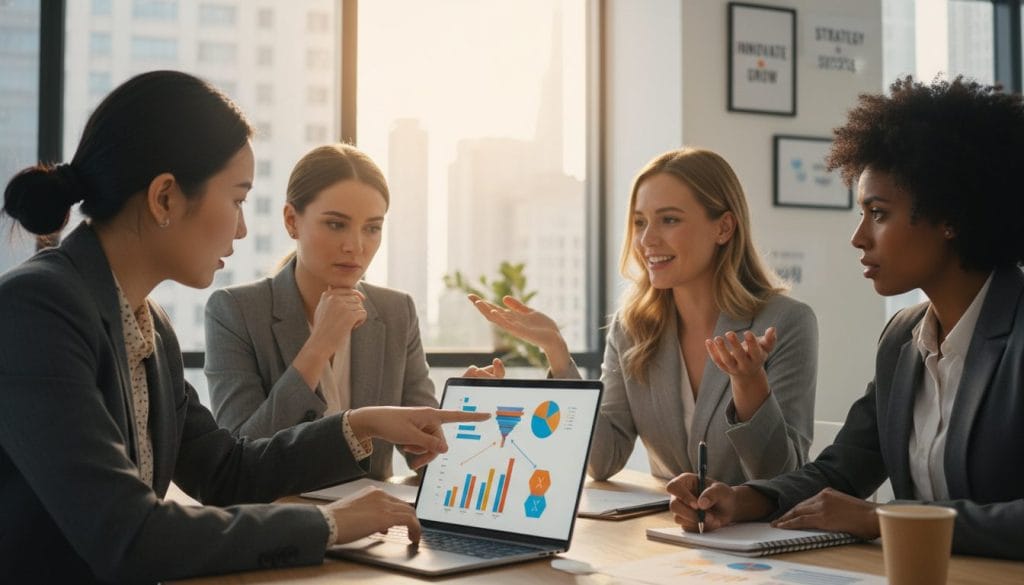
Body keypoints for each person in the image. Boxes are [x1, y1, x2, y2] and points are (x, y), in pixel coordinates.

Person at [0, 71, 488, 583]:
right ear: (165, 197)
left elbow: (225, 471)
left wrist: (360, 424)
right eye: (236, 199)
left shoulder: (150, 328)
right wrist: (326, 523)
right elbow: (127, 534)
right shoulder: (37, 309)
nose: (241, 227)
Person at [667, 77, 1024, 561]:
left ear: (949, 217)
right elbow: (841, 471)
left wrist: (882, 519)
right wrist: (741, 499)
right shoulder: (903, 338)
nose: (859, 237)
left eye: (878, 213)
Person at [469, 147, 818, 484]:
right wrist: (558, 354)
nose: (647, 239)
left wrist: (749, 387)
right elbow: (603, 460)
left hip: (757, 537)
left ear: (724, 228)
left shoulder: (786, 323)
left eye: (669, 220)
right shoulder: (632, 328)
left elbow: (782, 477)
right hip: (667, 533)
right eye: (639, 222)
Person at [205, 144, 473, 479]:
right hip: (281, 520)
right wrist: (318, 346)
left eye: (372, 228)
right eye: (336, 225)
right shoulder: (235, 311)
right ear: (291, 220)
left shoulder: (396, 311)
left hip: (375, 521)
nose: (356, 246)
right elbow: (241, 455)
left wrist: (459, 412)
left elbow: (422, 453)